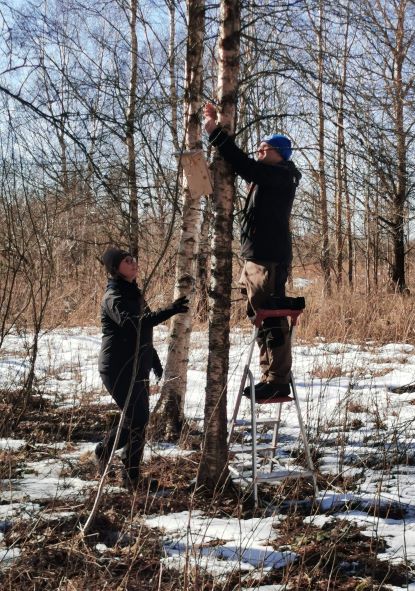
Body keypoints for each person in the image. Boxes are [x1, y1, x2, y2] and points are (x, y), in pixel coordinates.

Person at [203, 103, 302, 400]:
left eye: (264, 148)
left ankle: (278, 380)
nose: (259, 151)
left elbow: (242, 163)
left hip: (268, 259)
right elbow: (244, 167)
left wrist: (214, 132)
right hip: (256, 257)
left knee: (271, 318)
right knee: (259, 316)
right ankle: (268, 375)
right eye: (259, 147)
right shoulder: (268, 176)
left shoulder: (281, 175)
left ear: (279, 153)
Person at [96, 246, 189, 489]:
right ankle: (107, 452)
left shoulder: (134, 293)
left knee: (139, 419)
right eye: (127, 261)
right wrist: (170, 310)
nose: (133, 263)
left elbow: (143, 334)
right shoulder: (113, 297)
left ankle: (130, 474)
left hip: (138, 365)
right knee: (137, 417)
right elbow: (133, 325)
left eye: (134, 259)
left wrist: (155, 364)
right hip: (116, 366)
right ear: (115, 268)